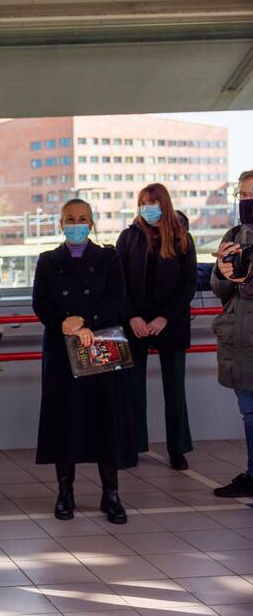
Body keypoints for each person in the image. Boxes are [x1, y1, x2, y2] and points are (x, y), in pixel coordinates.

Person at [32, 198, 135, 524]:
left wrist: (85, 321)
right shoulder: (48, 260)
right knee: (64, 421)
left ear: (91, 224)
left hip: (100, 344)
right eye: (70, 219)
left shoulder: (108, 257)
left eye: (82, 219)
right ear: (61, 224)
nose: (76, 224)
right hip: (62, 347)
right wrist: (64, 322)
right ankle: (65, 493)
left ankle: (111, 494)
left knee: (107, 419)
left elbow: (117, 299)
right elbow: (40, 302)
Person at [115, 183, 197, 471]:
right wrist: (132, 317)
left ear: (164, 204)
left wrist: (165, 317)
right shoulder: (128, 237)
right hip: (134, 324)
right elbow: (118, 282)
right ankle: (133, 446)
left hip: (170, 323)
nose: (147, 208)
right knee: (132, 389)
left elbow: (188, 284)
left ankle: (178, 448)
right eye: (142, 203)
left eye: (152, 203)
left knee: (175, 390)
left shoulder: (182, 237)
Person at [211, 170, 253, 498]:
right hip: (239, 342)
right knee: (249, 413)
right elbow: (221, 290)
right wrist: (224, 272)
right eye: (243, 195)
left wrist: (245, 279)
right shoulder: (234, 234)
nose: (247, 201)